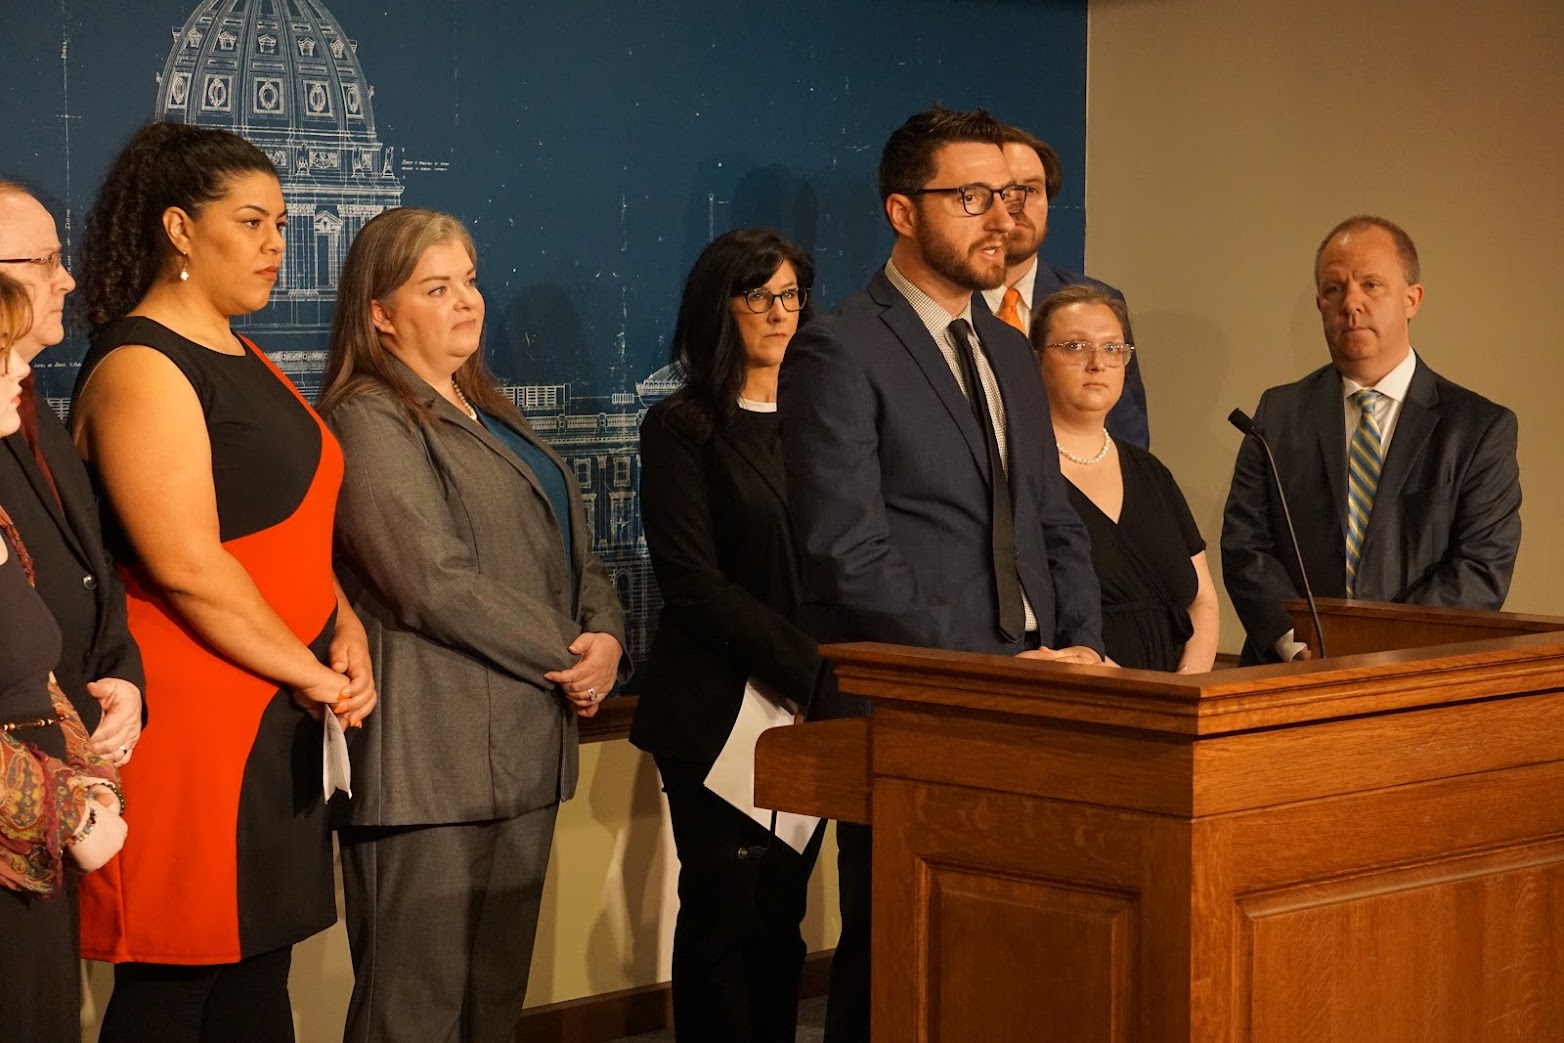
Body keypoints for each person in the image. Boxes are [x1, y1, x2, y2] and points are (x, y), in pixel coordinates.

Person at [778, 105, 1105, 1042]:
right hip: (914, 706)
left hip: (1041, 699)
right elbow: (848, 552)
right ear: (902, 211)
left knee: (1007, 962)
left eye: (1006, 196)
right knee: (896, 970)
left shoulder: (1008, 344)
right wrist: (997, 664)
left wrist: (1081, 651)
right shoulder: (839, 348)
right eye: (970, 196)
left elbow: (1052, 521)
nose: (999, 217)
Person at [70, 121, 377, 1040]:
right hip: (196, 720)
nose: (276, 245)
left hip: (276, 699)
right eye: (250, 222)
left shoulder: (242, 354)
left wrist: (344, 622)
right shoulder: (140, 363)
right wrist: (313, 671)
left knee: (254, 977)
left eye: (281, 224)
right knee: (177, 986)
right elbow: (190, 567)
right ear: (177, 228)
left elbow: (290, 530)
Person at [319, 206, 629, 1042]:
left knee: (490, 1008)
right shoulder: (368, 414)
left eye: (469, 280)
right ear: (380, 311)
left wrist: (606, 634)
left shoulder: (491, 410)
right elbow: (429, 580)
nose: (468, 301)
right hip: (431, 767)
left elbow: (574, 550)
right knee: (410, 1015)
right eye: (436, 286)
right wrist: (571, 651)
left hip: (524, 752)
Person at [632, 228, 828, 1042]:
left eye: (790, 295)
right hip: (719, 711)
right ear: (720, 307)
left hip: (814, 714)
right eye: (759, 296)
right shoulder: (681, 427)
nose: (779, 313)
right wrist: (810, 666)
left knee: (782, 916)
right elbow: (695, 584)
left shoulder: (828, 424)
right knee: (725, 916)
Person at [1221, 215, 1522, 664]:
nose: (1351, 303)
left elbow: (1480, 566)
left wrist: (1380, 651)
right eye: (1335, 288)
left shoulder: (1478, 427)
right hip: (1290, 674)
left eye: (1371, 285)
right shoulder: (1277, 414)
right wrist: (1293, 642)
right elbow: (1245, 545)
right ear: (1320, 304)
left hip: (1416, 680)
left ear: (1412, 299)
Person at [0, 273, 126, 1041]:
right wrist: (69, 810)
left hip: (31, 882)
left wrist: (88, 771)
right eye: (0, 354)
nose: (20, 371)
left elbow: (32, 669)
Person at [0, 181, 144, 771]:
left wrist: (124, 678)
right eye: (47, 262)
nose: (68, 281)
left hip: (74, 756)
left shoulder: (33, 401)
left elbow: (92, 563)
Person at [1032, 284, 1218, 672]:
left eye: (1113, 348)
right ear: (1037, 361)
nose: (1097, 363)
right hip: (1084, 699)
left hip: (1178, 701)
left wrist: (1185, 687)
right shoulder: (1021, 471)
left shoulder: (1151, 472)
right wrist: (1127, 686)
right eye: (1075, 347)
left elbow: (1202, 600)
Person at [981, 124, 1149, 447]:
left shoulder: (1099, 304)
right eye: (1004, 191)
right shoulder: (947, 307)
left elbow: (1129, 436)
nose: (1017, 207)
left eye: (1032, 190)